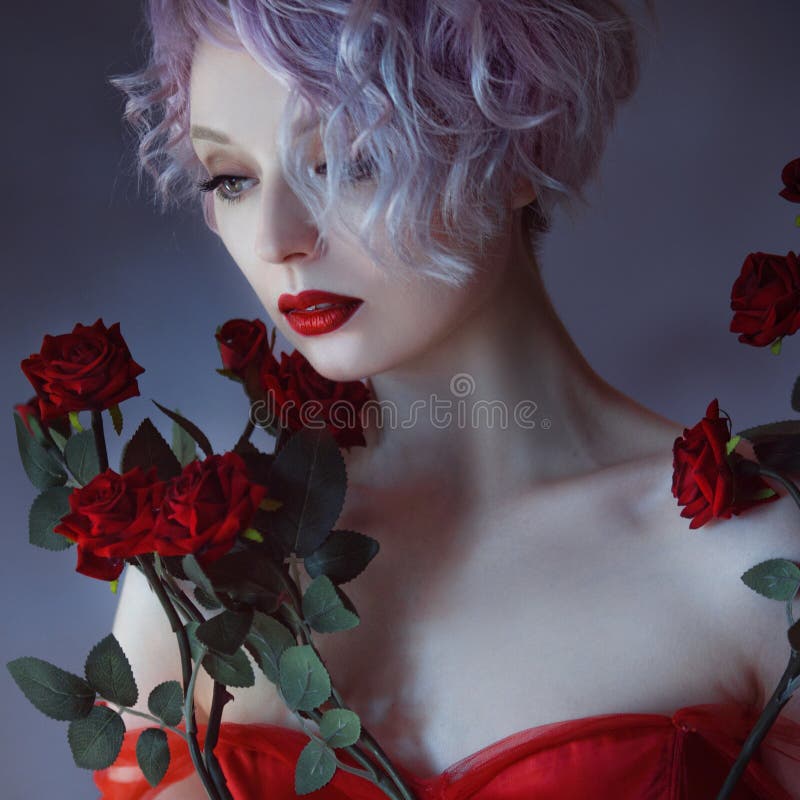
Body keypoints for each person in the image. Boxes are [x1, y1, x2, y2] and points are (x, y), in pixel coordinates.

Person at [95, 1, 800, 797]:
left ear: (520, 152)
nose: (275, 238)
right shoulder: (196, 583)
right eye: (233, 178)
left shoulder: (750, 562)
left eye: (351, 162)